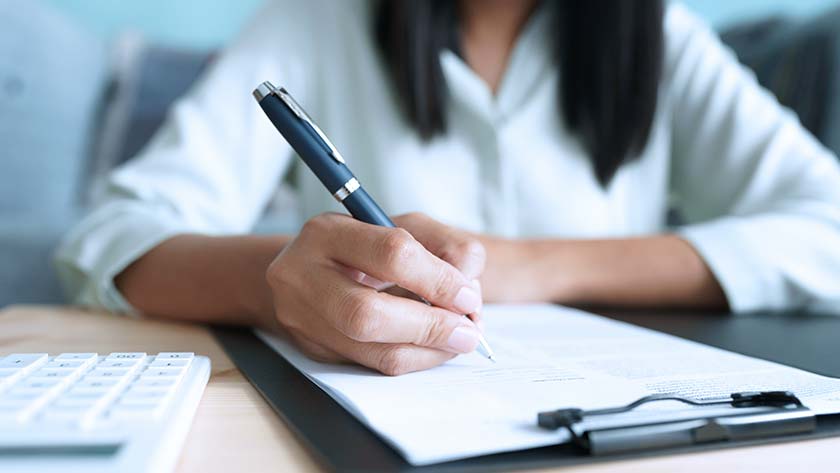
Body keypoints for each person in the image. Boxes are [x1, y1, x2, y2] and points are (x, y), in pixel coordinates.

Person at [57, 0, 840, 375]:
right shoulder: (316, 21)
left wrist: (532, 264)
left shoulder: (661, 36)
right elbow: (113, 235)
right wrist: (282, 283)